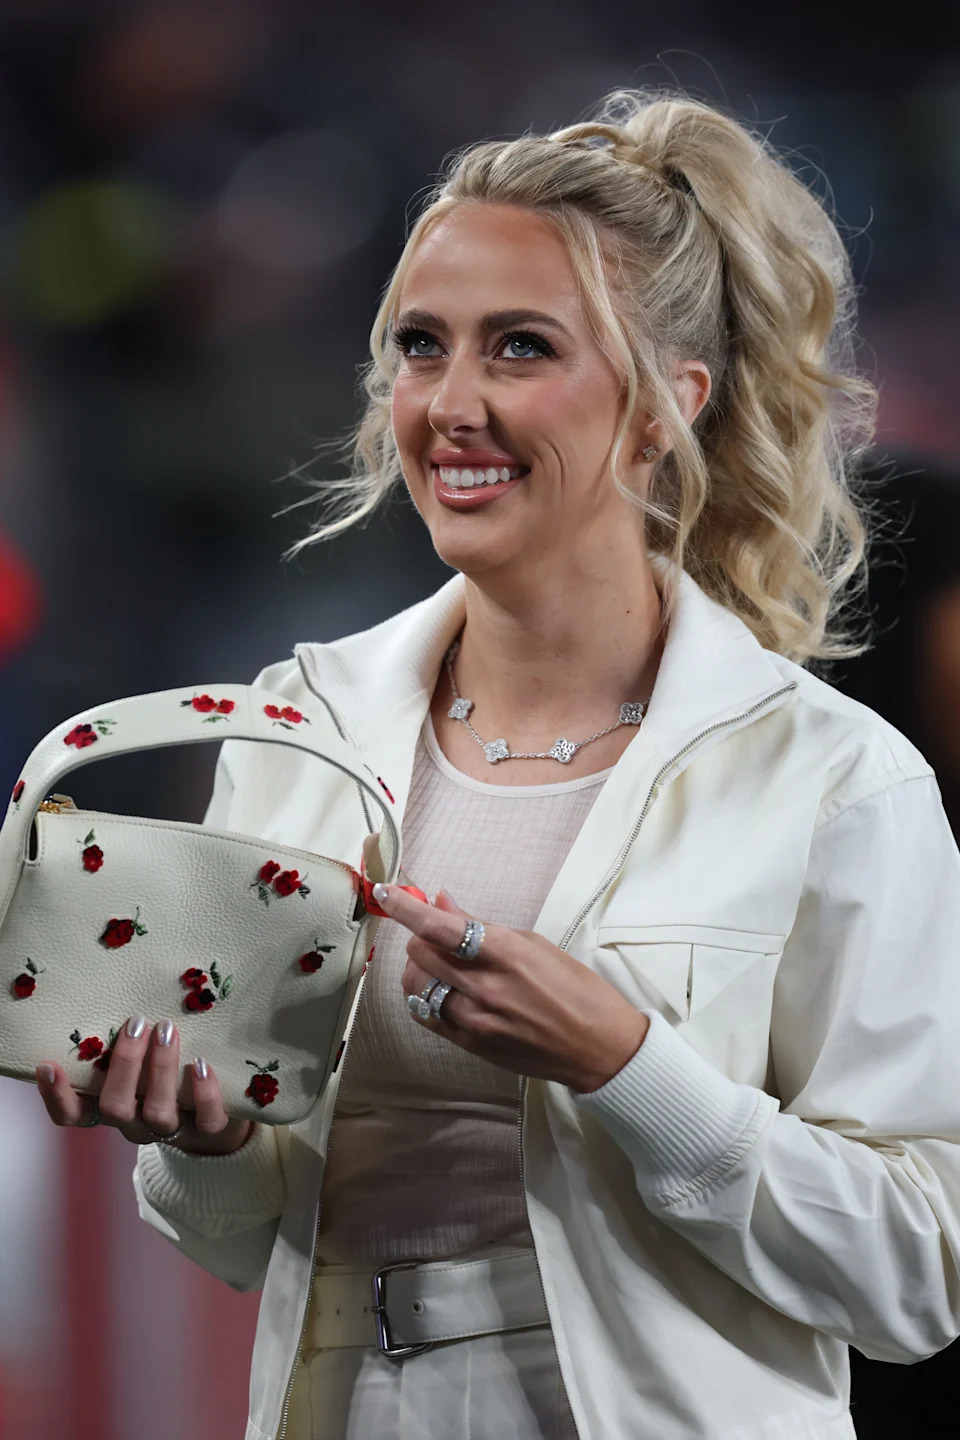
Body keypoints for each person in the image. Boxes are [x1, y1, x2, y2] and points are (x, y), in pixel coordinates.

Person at [33, 89, 960, 1440]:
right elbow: (246, 1239)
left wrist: (624, 1062)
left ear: (666, 406)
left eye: (519, 348)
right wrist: (204, 1141)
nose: (451, 404)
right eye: (422, 347)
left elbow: (920, 1272)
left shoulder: (836, 777)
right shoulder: (298, 729)